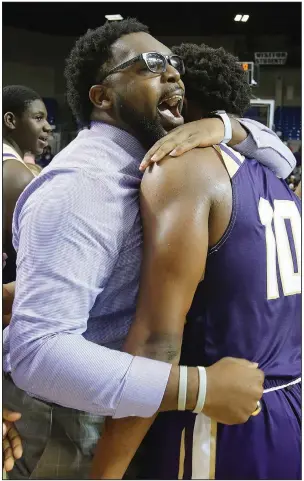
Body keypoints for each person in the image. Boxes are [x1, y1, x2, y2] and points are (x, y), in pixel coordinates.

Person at [2, 20, 294, 480]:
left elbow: (284, 158)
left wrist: (227, 127)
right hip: (66, 421)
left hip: (120, 405)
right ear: (102, 97)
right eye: (152, 64)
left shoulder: (154, 163)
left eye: (175, 64)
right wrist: (198, 387)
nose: (174, 73)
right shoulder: (83, 187)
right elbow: (38, 354)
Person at [92, 43, 301, 479]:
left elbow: (156, 341)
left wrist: (105, 472)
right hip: (289, 405)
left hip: (218, 421)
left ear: (182, 105)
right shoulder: (280, 184)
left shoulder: (184, 168)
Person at [3, 85, 51, 284]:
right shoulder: (17, 176)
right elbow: (28, 257)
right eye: (38, 118)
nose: (48, 126)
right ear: (11, 120)